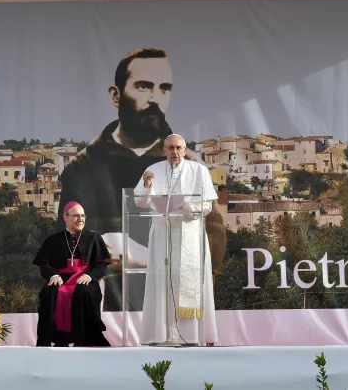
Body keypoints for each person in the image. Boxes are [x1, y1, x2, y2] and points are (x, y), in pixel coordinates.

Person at [57, 47, 227, 312]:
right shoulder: (85, 167)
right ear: (116, 95)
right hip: (107, 299)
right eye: (144, 87)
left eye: (164, 88)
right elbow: (70, 233)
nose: (155, 98)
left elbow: (213, 230)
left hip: (175, 289)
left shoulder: (191, 165)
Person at [134, 134, 218, 345]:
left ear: (185, 149)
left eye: (178, 148)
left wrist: (188, 208)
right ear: (164, 150)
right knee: (161, 282)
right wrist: (146, 186)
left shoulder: (199, 171)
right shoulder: (152, 170)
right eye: (170, 148)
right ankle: (160, 335)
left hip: (190, 232)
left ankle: (191, 335)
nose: (175, 152)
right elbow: (140, 203)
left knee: (188, 283)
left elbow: (208, 205)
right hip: (162, 234)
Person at [33, 201, 112, 347]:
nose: (80, 219)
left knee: (83, 291)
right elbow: (43, 265)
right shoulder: (53, 239)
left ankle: (83, 340)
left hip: (85, 276)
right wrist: (53, 275)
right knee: (50, 293)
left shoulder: (94, 238)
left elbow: (101, 264)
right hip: (60, 277)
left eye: (82, 216)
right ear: (65, 217)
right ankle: (55, 339)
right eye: (76, 216)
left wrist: (89, 276)